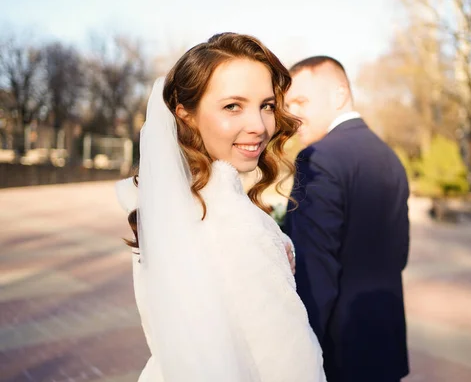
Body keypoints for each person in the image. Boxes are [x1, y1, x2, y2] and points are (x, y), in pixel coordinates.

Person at [115, 33, 326, 382]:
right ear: (187, 116)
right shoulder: (233, 223)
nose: (259, 126)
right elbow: (291, 364)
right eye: (233, 106)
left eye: (267, 105)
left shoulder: (163, 208)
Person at [284, 56, 410, 382]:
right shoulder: (389, 157)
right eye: (287, 105)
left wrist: (297, 357)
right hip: (385, 347)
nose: (291, 114)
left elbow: (313, 274)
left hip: (339, 356)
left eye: (300, 101)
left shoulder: (318, 158)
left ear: (339, 95)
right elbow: (399, 254)